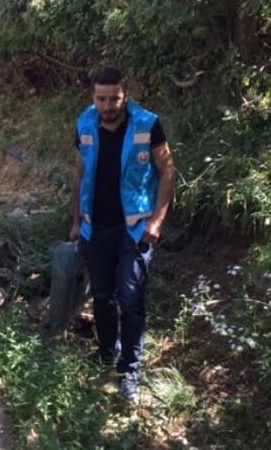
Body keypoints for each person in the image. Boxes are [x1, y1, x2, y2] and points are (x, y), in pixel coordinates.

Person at [69, 66, 174, 404]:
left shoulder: (148, 124)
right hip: (95, 228)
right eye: (101, 99)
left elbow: (167, 171)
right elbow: (80, 173)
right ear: (92, 97)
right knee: (102, 296)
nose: (107, 106)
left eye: (114, 99)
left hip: (134, 230)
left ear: (125, 95)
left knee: (130, 299)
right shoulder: (85, 123)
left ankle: (129, 369)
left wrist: (157, 222)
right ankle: (105, 351)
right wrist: (76, 222)